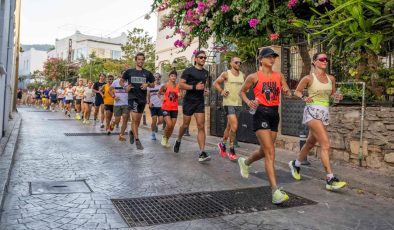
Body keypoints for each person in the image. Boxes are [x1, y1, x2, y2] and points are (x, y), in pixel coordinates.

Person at [238, 48, 292, 204]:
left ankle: (246, 162)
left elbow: (286, 89)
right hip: (260, 113)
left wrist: (287, 91)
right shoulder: (254, 76)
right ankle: (275, 191)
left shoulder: (279, 75)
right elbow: (242, 92)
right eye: (269, 57)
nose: (272, 59)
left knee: (264, 150)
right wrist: (249, 101)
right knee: (270, 151)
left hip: (274, 114)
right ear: (261, 59)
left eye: (274, 57)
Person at [289, 52, 347, 191]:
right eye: (321, 59)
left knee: (310, 143)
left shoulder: (331, 78)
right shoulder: (308, 78)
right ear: (314, 62)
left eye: (326, 59)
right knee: (325, 143)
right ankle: (330, 179)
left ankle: (296, 164)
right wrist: (304, 97)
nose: (325, 61)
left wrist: (338, 96)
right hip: (312, 112)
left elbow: (332, 95)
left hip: (324, 112)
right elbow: (296, 92)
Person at [173, 50, 211, 162]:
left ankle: (202, 152)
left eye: (204, 57)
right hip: (189, 101)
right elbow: (181, 84)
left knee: (201, 126)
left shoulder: (205, 72)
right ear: (195, 59)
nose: (203, 59)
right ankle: (179, 139)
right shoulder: (188, 71)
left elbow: (203, 86)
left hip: (199, 101)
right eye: (201, 57)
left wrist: (205, 91)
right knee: (185, 125)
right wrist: (195, 87)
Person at [213, 56, 245, 161]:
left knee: (229, 127)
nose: (238, 64)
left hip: (239, 104)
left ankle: (222, 144)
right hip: (229, 103)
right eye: (236, 62)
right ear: (231, 63)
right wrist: (222, 91)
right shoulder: (226, 74)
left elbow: (245, 88)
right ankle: (231, 150)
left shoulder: (242, 75)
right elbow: (215, 83)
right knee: (234, 126)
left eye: (240, 62)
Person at [122, 52, 155, 150]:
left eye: (142, 59)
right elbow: (121, 81)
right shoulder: (129, 72)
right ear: (136, 60)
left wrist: (147, 85)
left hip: (142, 99)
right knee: (134, 119)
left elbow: (153, 84)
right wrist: (125, 87)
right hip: (133, 97)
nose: (141, 61)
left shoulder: (147, 73)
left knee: (137, 121)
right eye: (139, 59)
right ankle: (137, 140)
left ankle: (132, 132)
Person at [159, 70, 182, 147]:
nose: (173, 77)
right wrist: (162, 98)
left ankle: (167, 140)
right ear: (169, 77)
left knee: (172, 126)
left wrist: (180, 95)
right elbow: (159, 93)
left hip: (174, 108)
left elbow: (181, 96)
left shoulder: (178, 86)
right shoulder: (165, 85)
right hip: (166, 108)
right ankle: (164, 137)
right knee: (169, 124)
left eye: (175, 76)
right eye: (172, 76)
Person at [110, 77, 129, 141]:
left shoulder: (129, 82)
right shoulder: (115, 81)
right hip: (117, 104)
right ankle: (113, 123)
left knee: (125, 118)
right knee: (117, 120)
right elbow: (109, 90)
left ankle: (121, 134)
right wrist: (114, 97)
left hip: (126, 104)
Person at [147, 73, 164, 140]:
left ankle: (156, 125)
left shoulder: (162, 86)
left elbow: (166, 93)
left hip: (161, 105)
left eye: (158, 77)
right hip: (153, 105)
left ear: (160, 78)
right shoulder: (149, 86)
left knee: (161, 120)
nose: (156, 78)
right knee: (154, 119)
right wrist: (149, 102)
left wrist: (161, 94)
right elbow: (148, 96)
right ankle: (153, 133)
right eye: (155, 77)